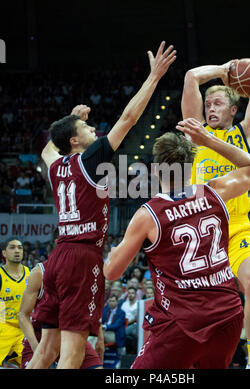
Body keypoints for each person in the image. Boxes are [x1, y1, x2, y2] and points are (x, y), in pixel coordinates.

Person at [26, 41, 176, 369]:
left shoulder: (56, 165)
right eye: (86, 128)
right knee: (73, 352)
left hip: (58, 256)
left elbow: (48, 149)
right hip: (82, 258)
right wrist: (153, 78)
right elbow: (129, 117)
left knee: (46, 347)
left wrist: (70, 120)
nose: (94, 129)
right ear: (76, 142)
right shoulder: (90, 159)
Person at [103, 117, 250, 369]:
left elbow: (111, 271)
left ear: (155, 170)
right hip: (228, 315)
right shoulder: (215, 191)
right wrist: (208, 139)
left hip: (182, 323)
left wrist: (114, 253)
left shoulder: (148, 215)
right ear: (192, 165)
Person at [181, 59, 250, 368]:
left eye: (218, 102)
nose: (210, 107)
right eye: (208, 103)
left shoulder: (247, 133)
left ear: (234, 109)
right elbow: (191, 76)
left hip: (238, 228)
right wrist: (222, 69)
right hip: (202, 233)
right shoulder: (196, 134)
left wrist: (243, 72)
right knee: (201, 314)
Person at [19, 260, 103, 369]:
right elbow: (22, 315)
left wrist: (100, 339)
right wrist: (36, 348)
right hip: (41, 337)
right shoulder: (39, 272)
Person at [0, 238, 30, 368]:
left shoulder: (31, 274)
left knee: (35, 364)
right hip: (3, 327)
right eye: (12, 247)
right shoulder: (1, 275)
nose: (17, 250)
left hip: (23, 331)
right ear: (4, 253)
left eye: (20, 247)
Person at [121, 287, 138, 353]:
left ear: (135, 294)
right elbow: (121, 316)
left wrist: (127, 323)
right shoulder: (124, 304)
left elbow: (136, 318)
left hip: (133, 324)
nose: (130, 295)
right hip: (123, 324)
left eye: (132, 293)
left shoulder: (138, 304)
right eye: (129, 293)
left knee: (122, 332)